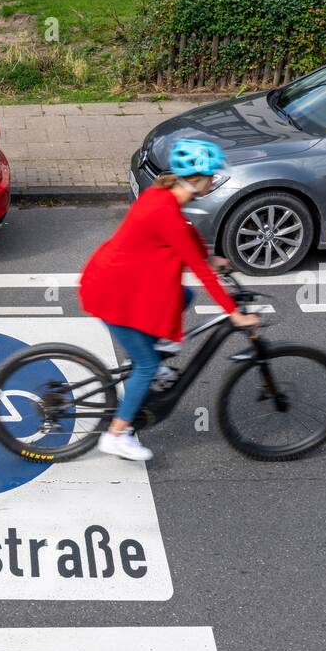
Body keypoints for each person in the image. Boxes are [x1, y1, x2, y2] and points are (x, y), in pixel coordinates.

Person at [79, 138, 259, 461]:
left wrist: (210, 257)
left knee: (182, 294)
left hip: (118, 280)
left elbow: (185, 235)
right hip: (114, 296)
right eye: (211, 176)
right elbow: (198, 268)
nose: (214, 180)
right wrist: (235, 314)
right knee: (147, 367)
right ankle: (116, 435)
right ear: (196, 179)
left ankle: (151, 350)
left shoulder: (161, 196)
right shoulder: (169, 215)